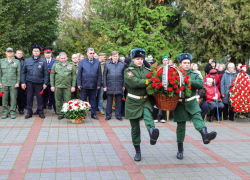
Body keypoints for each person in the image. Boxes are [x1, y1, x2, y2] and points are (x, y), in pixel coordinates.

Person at [174, 53, 217, 160]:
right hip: (179, 103)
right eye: (185, 63)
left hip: (191, 101)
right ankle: (180, 149)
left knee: (197, 116)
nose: (187, 65)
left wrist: (187, 80)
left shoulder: (194, 74)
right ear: (180, 64)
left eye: (188, 63)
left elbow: (200, 84)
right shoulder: (174, 73)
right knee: (180, 127)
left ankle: (205, 135)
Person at [124, 48, 159, 161]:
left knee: (148, 116)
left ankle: (152, 133)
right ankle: (137, 151)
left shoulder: (147, 70)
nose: (139, 61)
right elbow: (134, 83)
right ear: (133, 59)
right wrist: (148, 81)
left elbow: (155, 79)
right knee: (135, 128)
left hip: (145, 100)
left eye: (141, 59)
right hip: (133, 101)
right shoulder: (128, 71)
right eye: (137, 59)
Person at [21, 44, 48, 119]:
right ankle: (29, 112)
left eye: (37, 51)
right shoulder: (27, 61)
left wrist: (45, 83)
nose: (36, 52)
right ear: (32, 52)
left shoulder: (43, 61)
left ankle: (40, 112)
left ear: (40, 52)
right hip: (29, 82)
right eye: (34, 51)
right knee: (29, 98)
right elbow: (23, 72)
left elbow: (46, 74)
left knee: (40, 98)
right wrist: (23, 82)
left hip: (39, 83)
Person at [50, 52, 76, 120]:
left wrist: (73, 86)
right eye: (61, 58)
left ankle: (67, 113)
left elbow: (74, 76)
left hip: (67, 86)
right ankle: (60, 113)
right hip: (58, 86)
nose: (63, 59)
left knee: (67, 101)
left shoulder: (71, 65)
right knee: (58, 100)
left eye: (64, 58)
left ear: (67, 58)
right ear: (59, 58)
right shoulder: (55, 65)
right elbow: (52, 75)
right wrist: (52, 85)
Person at [77, 48, 102, 120]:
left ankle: (93, 114)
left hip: (94, 84)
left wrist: (99, 84)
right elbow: (79, 74)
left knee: (93, 100)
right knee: (83, 100)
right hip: (84, 84)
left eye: (93, 53)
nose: (92, 54)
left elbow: (99, 74)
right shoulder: (82, 61)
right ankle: (83, 114)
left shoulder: (97, 62)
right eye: (90, 53)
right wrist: (79, 83)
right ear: (87, 53)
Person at [103, 51, 125, 121]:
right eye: (114, 56)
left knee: (118, 101)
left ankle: (118, 115)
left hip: (119, 84)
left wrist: (123, 85)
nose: (116, 57)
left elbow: (124, 75)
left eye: (117, 56)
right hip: (110, 85)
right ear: (111, 56)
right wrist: (105, 86)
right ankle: (108, 115)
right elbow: (104, 75)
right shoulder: (107, 64)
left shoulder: (122, 64)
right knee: (109, 101)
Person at [0, 48, 21, 119]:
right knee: (4, 99)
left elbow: (18, 73)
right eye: (8, 52)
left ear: (13, 53)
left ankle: (12, 112)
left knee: (13, 99)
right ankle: (5, 113)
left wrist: (18, 82)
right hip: (4, 83)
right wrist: (0, 82)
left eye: (11, 52)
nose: (9, 53)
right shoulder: (1, 61)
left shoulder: (17, 62)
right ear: (5, 53)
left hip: (13, 83)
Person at [42, 46, 57, 113]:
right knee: (43, 94)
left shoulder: (56, 61)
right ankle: (43, 105)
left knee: (52, 95)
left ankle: (53, 107)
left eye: (49, 53)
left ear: (51, 53)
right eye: (46, 53)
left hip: (52, 81)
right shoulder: (41, 61)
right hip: (43, 81)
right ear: (44, 54)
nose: (48, 54)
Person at [15, 50, 26, 115]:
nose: (19, 55)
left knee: (21, 95)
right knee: (13, 96)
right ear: (16, 54)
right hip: (14, 80)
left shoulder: (24, 61)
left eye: (21, 53)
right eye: (18, 53)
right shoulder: (13, 60)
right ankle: (13, 108)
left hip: (22, 81)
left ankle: (21, 109)